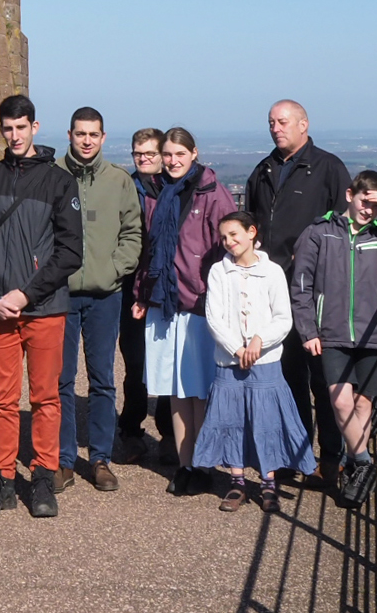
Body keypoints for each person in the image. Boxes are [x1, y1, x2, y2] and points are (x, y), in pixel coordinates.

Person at [0, 96, 84, 520]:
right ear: (1, 130)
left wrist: (25, 294)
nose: (14, 136)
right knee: (1, 398)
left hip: (44, 307)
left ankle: (41, 478)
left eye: (21, 127)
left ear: (35, 127)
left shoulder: (59, 182)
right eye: (7, 129)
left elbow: (70, 252)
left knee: (45, 397)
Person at [290, 171, 377, 508]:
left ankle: (354, 467)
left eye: (375, 205)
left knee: (362, 404)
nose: (368, 210)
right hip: (329, 334)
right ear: (350, 194)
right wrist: (307, 330)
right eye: (365, 201)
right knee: (341, 400)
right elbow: (300, 286)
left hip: (372, 333)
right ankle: (363, 463)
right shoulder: (318, 233)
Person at [244, 99, 353, 483]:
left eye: (283, 121)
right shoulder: (263, 170)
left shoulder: (328, 169)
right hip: (273, 292)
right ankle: (298, 455)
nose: (276, 128)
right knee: (288, 379)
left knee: (323, 379)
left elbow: (346, 226)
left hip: (316, 292)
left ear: (304, 124)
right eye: (271, 122)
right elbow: (251, 225)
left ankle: (332, 461)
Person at [131, 127, 237, 497]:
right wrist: (142, 292)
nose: (173, 161)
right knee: (175, 389)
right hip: (164, 301)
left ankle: (205, 464)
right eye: (168, 154)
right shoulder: (156, 192)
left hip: (200, 302)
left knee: (200, 390)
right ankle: (185, 462)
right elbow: (150, 246)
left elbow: (228, 248)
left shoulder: (211, 192)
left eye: (180, 154)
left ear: (194, 153)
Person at [191, 211, 315, 511]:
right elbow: (214, 317)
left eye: (234, 234)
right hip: (229, 362)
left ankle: (269, 481)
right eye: (224, 237)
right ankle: (237, 481)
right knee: (231, 420)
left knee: (266, 421)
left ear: (251, 233)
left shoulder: (272, 272)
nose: (229, 241)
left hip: (265, 362)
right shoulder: (220, 272)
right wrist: (236, 348)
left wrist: (260, 341)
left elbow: (283, 318)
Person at [56, 108, 144, 494]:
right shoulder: (53, 175)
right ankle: (61, 459)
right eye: (80, 134)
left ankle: (100, 458)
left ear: (104, 137)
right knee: (58, 379)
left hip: (105, 295)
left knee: (103, 379)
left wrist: (113, 270)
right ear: (70, 135)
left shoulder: (119, 181)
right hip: (59, 295)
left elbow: (132, 233)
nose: (87, 140)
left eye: (94, 134)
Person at [116, 128, 167, 462]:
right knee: (135, 361)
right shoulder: (126, 188)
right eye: (139, 153)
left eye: (150, 153)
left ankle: (168, 431)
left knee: (167, 361)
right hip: (131, 286)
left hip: (165, 287)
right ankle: (131, 429)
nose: (144, 159)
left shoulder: (174, 187)